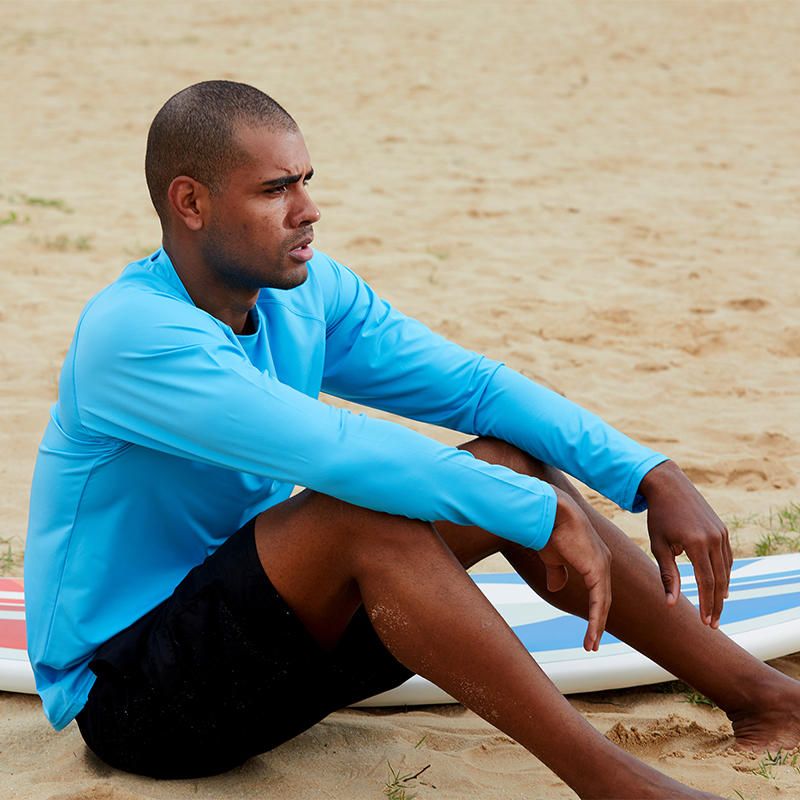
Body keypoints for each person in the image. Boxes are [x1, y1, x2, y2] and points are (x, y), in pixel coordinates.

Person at [24, 80, 799, 799]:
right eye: (275, 189)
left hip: (267, 650)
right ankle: (619, 785)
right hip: (136, 699)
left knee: (507, 460)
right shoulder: (132, 336)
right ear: (190, 203)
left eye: (305, 180)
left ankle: (766, 700)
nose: (308, 209)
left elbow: (475, 388)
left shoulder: (305, 291)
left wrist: (648, 473)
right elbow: (337, 451)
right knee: (362, 512)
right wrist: (541, 514)